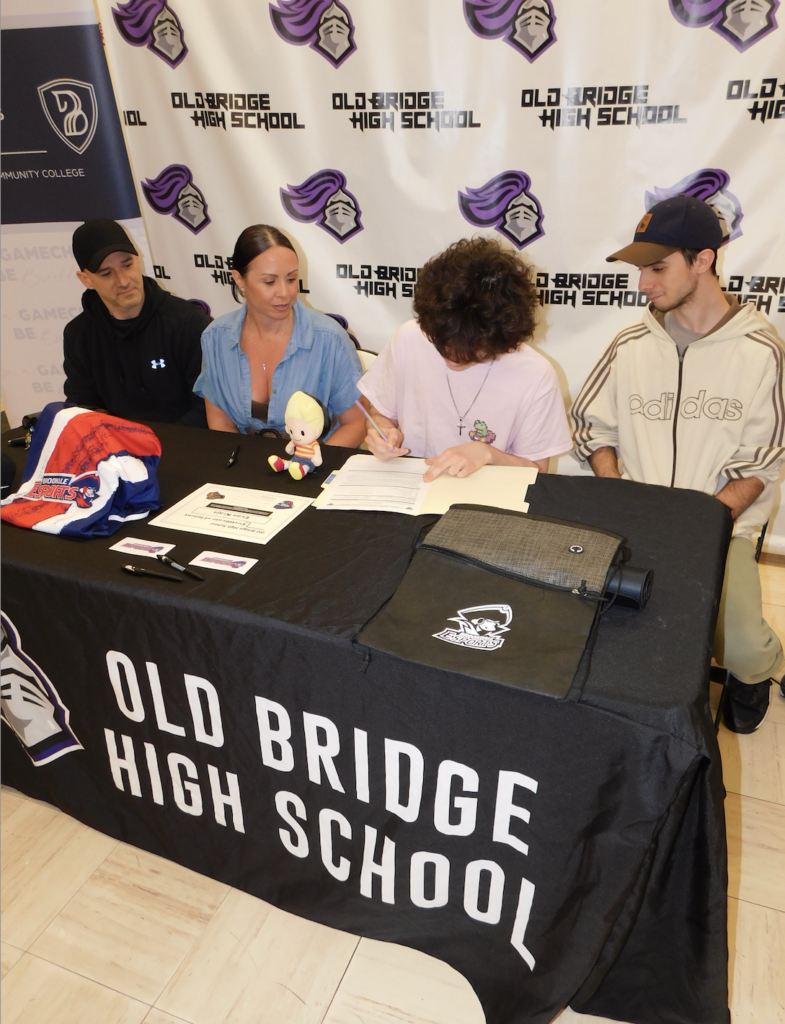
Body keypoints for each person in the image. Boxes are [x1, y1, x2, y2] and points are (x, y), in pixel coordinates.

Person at [571, 194, 784, 732]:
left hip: (720, 525)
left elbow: (762, 460)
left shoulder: (760, 348)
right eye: (641, 269)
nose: (643, 283)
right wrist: (617, 488)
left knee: (737, 644)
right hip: (637, 516)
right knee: (593, 630)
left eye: (657, 268)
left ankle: (759, 669)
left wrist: (698, 526)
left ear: (703, 260)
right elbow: (591, 426)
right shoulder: (630, 343)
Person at [358, 236, 572, 481]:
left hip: (488, 499)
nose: (453, 357)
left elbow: (537, 471)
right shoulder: (409, 337)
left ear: (502, 340)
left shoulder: (536, 374)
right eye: (443, 343)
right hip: (412, 488)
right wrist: (382, 432)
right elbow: (380, 414)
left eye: (472, 351)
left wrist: (487, 453)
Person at [194, 225, 365, 446]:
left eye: (292, 279)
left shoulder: (329, 339)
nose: (284, 293)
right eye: (269, 282)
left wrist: (310, 465)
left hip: (320, 462)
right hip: (247, 465)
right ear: (239, 279)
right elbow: (221, 423)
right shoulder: (215, 338)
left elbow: (356, 424)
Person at [64, 219, 210, 426]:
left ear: (138, 260)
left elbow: (208, 407)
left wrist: (152, 447)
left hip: (185, 447)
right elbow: (82, 408)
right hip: (116, 451)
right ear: (85, 280)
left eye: (127, 265)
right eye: (106, 273)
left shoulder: (187, 323)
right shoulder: (78, 334)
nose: (123, 281)